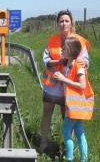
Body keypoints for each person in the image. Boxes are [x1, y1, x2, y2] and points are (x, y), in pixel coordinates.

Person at [38, 10, 90, 153]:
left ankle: (67, 149)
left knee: (67, 116)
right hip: (52, 85)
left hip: (69, 87)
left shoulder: (79, 40)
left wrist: (83, 63)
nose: (64, 24)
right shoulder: (52, 40)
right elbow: (46, 61)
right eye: (61, 21)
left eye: (66, 21)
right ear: (57, 24)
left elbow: (86, 61)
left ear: (71, 23)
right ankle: (43, 144)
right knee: (47, 111)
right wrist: (59, 61)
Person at [53, 37, 94, 162]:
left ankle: (69, 158)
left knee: (66, 130)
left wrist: (63, 79)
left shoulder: (79, 66)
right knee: (79, 132)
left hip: (76, 105)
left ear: (71, 50)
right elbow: (62, 61)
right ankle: (84, 159)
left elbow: (82, 86)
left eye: (64, 48)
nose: (61, 50)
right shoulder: (69, 62)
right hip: (76, 104)